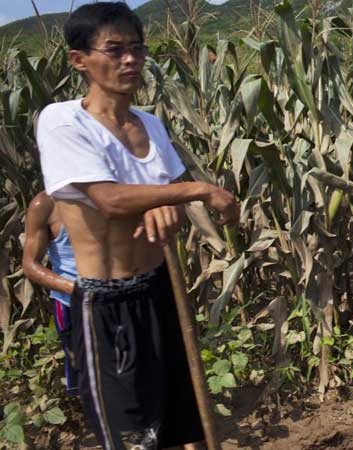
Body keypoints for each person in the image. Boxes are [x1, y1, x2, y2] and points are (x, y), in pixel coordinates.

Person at [36, 2, 239, 449]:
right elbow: (109, 200)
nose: (129, 59)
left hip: (161, 288)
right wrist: (197, 190)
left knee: (184, 424)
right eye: (114, 49)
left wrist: (160, 201)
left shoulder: (149, 124)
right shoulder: (63, 121)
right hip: (109, 302)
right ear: (79, 60)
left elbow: (161, 196)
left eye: (137, 49)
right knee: (133, 437)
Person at [22, 192, 79, 396]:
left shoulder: (108, 190)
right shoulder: (44, 204)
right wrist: (76, 289)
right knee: (88, 377)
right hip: (72, 304)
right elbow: (30, 264)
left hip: (116, 298)